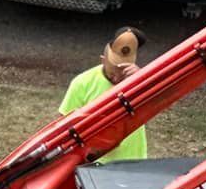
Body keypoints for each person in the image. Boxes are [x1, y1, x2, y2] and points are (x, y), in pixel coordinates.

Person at [59, 25, 148, 162]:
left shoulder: (138, 81)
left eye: (121, 72)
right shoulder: (83, 83)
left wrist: (142, 81)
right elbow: (63, 126)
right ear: (103, 60)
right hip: (95, 165)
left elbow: (155, 104)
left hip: (134, 162)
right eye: (113, 72)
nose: (117, 78)